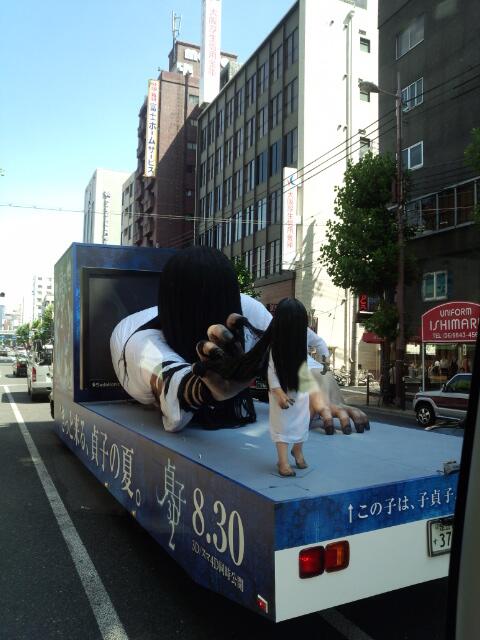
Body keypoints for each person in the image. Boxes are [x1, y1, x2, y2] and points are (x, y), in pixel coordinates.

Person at [110, 246, 369, 434]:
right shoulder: (136, 340)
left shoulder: (246, 311)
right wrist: (210, 387)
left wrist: (322, 397)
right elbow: (173, 383)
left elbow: (300, 364)